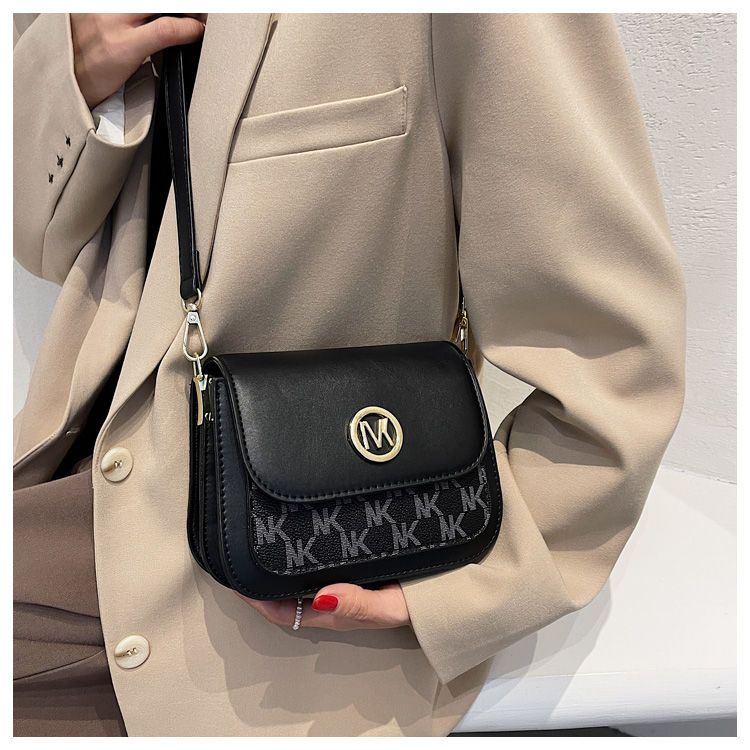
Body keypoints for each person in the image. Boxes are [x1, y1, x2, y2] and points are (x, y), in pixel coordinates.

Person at [13, 12, 686, 737]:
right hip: (66, 477)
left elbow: (613, 350)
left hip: (253, 610)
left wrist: (474, 586)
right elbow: (42, 243)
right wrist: (77, 66)